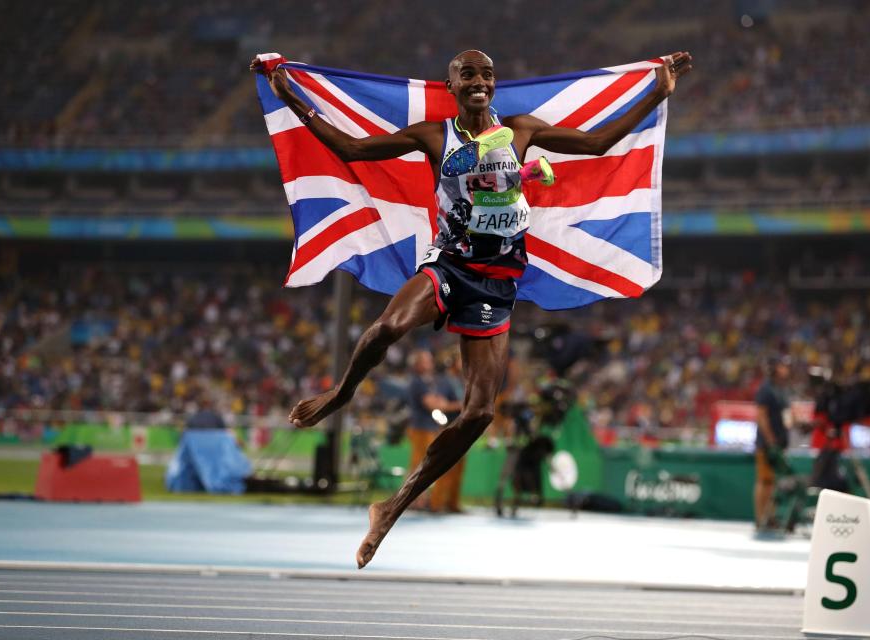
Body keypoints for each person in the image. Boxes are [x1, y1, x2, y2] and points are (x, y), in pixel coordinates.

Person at [252, 49, 693, 568]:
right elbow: (351, 149)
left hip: (497, 280)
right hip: (449, 263)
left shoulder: (522, 130)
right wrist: (294, 99)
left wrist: (656, 92)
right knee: (387, 326)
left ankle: (390, 509)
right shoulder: (433, 136)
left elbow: (597, 143)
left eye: (486, 73)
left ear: (494, 84)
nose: (479, 80)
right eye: (468, 74)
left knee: (480, 412)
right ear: (453, 85)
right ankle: (340, 394)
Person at [406, 349, 461, 511]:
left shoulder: (429, 381)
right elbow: (433, 404)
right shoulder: (418, 382)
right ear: (417, 364)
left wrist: (442, 403)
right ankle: (413, 500)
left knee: (423, 466)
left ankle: (418, 500)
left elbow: (439, 402)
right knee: (419, 466)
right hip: (421, 427)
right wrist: (456, 405)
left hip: (429, 427)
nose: (430, 363)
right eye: (425, 360)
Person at [754, 355, 792, 531]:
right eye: (782, 366)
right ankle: (761, 517)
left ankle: (771, 516)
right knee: (765, 480)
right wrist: (770, 441)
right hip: (767, 444)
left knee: (774, 483)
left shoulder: (783, 390)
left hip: (780, 442)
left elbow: (787, 415)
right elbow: (761, 417)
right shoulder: (766, 389)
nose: (786, 369)